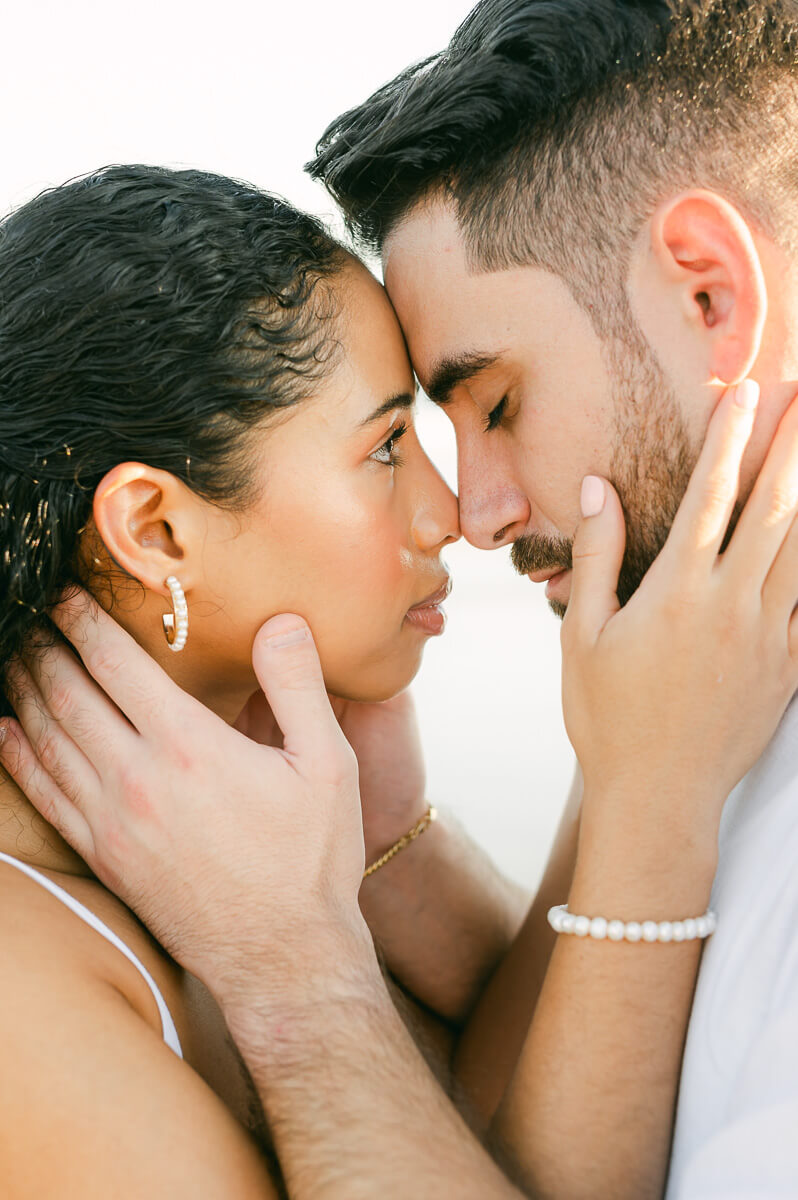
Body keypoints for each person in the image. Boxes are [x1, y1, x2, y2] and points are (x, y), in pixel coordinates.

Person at [0, 130, 797, 1200]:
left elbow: (481, 1154)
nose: (454, 515)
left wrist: (410, 839)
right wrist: (301, 978)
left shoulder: (225, 848)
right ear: (154, 527)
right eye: (385, 450)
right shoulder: (22, 990)